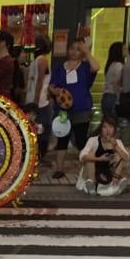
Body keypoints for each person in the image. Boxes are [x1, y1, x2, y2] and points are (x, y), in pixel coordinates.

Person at [48, 38, 100, 179]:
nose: (74, 51)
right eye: (72, 48)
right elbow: (51, 86)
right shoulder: (59, 67)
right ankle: (59, 168)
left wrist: (87, 52)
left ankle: (87, 166)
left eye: (78, 49)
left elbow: (96, 67)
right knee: (62, 137)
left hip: (82, 108)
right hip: (63, 109)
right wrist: (55, 91)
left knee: (81, 139)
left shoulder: (85, 67)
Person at [77, 116, 129, 196]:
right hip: (92, 168)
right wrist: (98, 159)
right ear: (101, 129)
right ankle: (92, 184)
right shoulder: (93, 140)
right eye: (105, 127)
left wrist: (115, 147)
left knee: (119, 156)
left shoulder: (117, 142)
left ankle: (115, 183)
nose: (108, 130)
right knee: (90, 155)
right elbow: (82, 156)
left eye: (111, 127)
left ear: (114, 130)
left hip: (107, 170)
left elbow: (126, 158)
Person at [25, 35, 52, 159]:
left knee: (33, 126)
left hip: (32, 97)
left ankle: (35, 153)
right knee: (43, 127)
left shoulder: (35, 60)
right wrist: (36, 99)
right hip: (40, 99)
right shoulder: (43, 60)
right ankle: (40, 153)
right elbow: (40, 81)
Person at [101, 41, 124, 119]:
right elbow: (117, 84)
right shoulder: (119, 65)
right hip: (113, 97)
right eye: (124, 49)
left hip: (106, 96)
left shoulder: (110, 65)